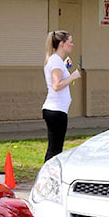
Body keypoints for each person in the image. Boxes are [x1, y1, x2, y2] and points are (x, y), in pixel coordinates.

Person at [42, 30, 82, 161]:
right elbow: (56, 85)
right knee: (55, 149)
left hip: (58, 110)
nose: (72, 44)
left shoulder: (57, 61)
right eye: (70, 42)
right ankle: (48, 176)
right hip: (55, 111)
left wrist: (65, 67)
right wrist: (73, 76)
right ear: (62, 44)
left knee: (56, 147)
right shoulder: (55, 61)